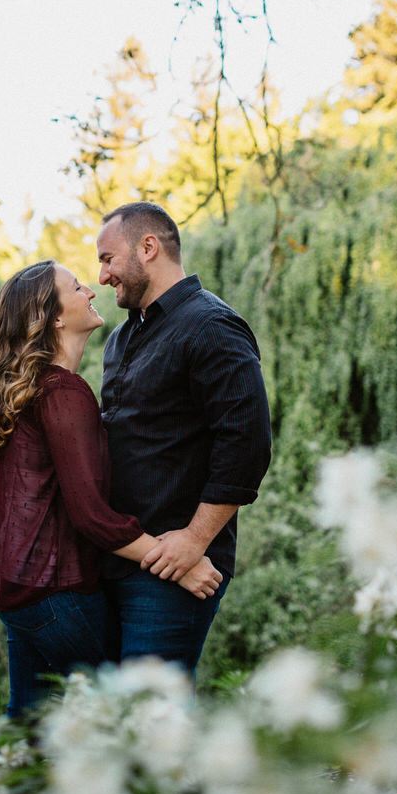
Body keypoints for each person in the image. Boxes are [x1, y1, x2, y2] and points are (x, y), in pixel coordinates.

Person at [0, 259, 223, 717]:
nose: (90, 289)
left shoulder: (34, 390)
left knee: (27, 725)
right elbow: (91, 516)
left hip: (15, 585)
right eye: (75, 286)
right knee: (135, 711)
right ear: (53, 316)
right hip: (55, 592)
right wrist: (180, 562)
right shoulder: (63, 393)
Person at [95, 201, 272, 678]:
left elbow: (247, 444)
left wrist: (194, 541)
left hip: (175, 570)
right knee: (123, 721)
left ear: (147, 247)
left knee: (151, 719)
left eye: (108, 259)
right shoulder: (120, 340)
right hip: (120, 558)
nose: (103, 276)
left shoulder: (212, 326)